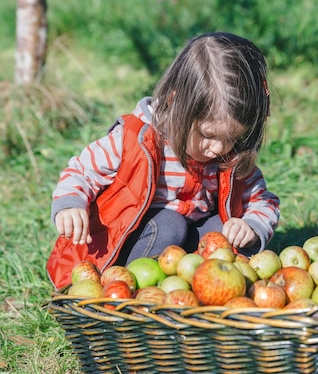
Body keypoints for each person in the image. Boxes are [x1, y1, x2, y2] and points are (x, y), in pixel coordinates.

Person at [46, 32, 280, 289]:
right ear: (175, 103)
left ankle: (202, 290)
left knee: (225, 231)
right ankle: (130, 292)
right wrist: (70, 204)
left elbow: (263, 200)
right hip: (129, 247)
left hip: (184, 252)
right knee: (170, 224)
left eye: (233, 138)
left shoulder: (231, 156)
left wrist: (251, 226)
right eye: (207, 135)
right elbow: (82, 170)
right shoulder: (135, 140)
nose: (218, 149)